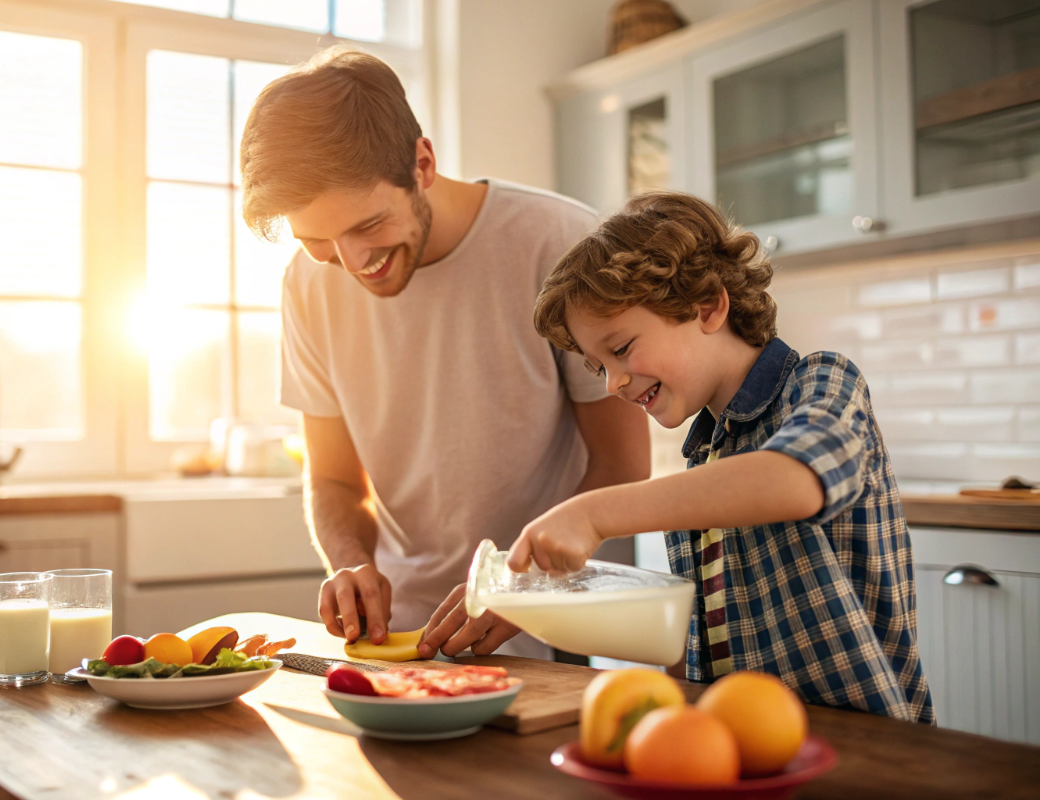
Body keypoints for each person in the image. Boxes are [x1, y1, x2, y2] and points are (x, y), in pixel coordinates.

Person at [238, 47, 651, 659]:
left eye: (367, 226)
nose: (352, 264)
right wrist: (350, 562)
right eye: (318, 239)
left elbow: (621, 465)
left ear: (422, 163)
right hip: (402, 636)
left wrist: (524, 587)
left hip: (544, 626)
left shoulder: (560, 243)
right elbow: (331, 477)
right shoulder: (306, 284)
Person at [512, 190, 934, 722]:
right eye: (599, 367)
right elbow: (705, 639)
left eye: (620, 350)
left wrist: (592, 512)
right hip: (747, 744)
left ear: (708, 306)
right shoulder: (705, 459)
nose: (614, 382)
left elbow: (794, 479)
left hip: (865, 747)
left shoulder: (822, 381)